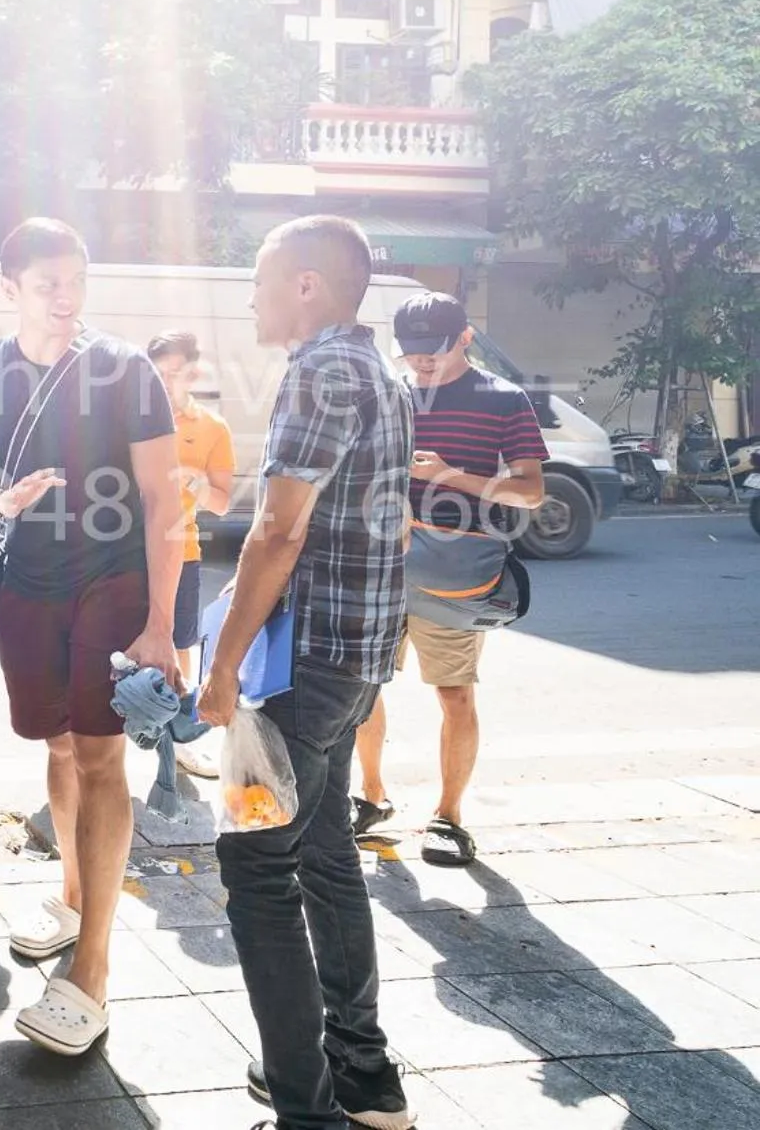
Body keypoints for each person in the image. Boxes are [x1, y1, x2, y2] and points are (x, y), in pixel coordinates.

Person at [0, 217, 181, 1057]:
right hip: (29, 584)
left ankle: (92, 971)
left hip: (113, 580)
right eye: (49, 284)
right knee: (57, 743)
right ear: (9, 289)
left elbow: (164, 497)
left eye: (77, 281)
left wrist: (162, 622)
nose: (66, 298)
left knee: (100, 757)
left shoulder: (124, 367)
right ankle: (76, 900)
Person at [198, 215, 414, 1130]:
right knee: (325, 857)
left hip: (304, 668)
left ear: (306, 285)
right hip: (354, 663)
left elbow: (279, 528)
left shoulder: (320, 370)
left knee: (255, 870)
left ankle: (308, 1111)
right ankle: (361, 1072)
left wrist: (223, 661)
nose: (250, 297)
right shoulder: (384, 373)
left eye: (259, 278)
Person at [355, 293, 546, 868]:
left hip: (455, 573)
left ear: (465, 337)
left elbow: (530, 492)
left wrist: (449, 476)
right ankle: (370, 796)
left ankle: (449, 817)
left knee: (455, 694)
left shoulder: (504, 399)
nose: (421, 362)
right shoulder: (392, 393)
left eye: (433, 350)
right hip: (382, 565)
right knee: (361, 688)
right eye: (411, 351)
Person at [147, 329, 236, 781]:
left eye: (174, 374)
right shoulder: (128, 419)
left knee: (180, 647)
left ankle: (180, 741)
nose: (165, 383)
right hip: (124, 554)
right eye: (157, 374)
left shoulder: (212, 428)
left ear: (193, 374)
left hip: (181, 551)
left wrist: (195, 482)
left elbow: (222, 503)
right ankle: (105, 747)